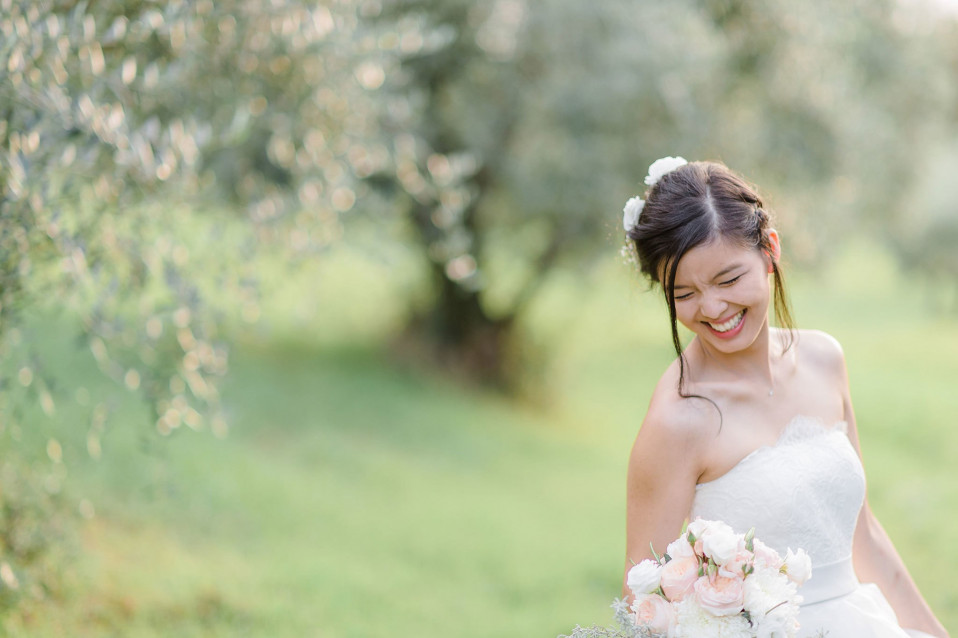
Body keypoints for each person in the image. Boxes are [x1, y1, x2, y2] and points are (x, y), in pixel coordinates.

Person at [620, 157, 949, 638]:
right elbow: (643, 605)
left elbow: (865, 536)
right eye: (684, 293)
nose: (713, 308)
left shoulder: (824, 359)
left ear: (769, 249)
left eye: (729, 280)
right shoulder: (679, 419)